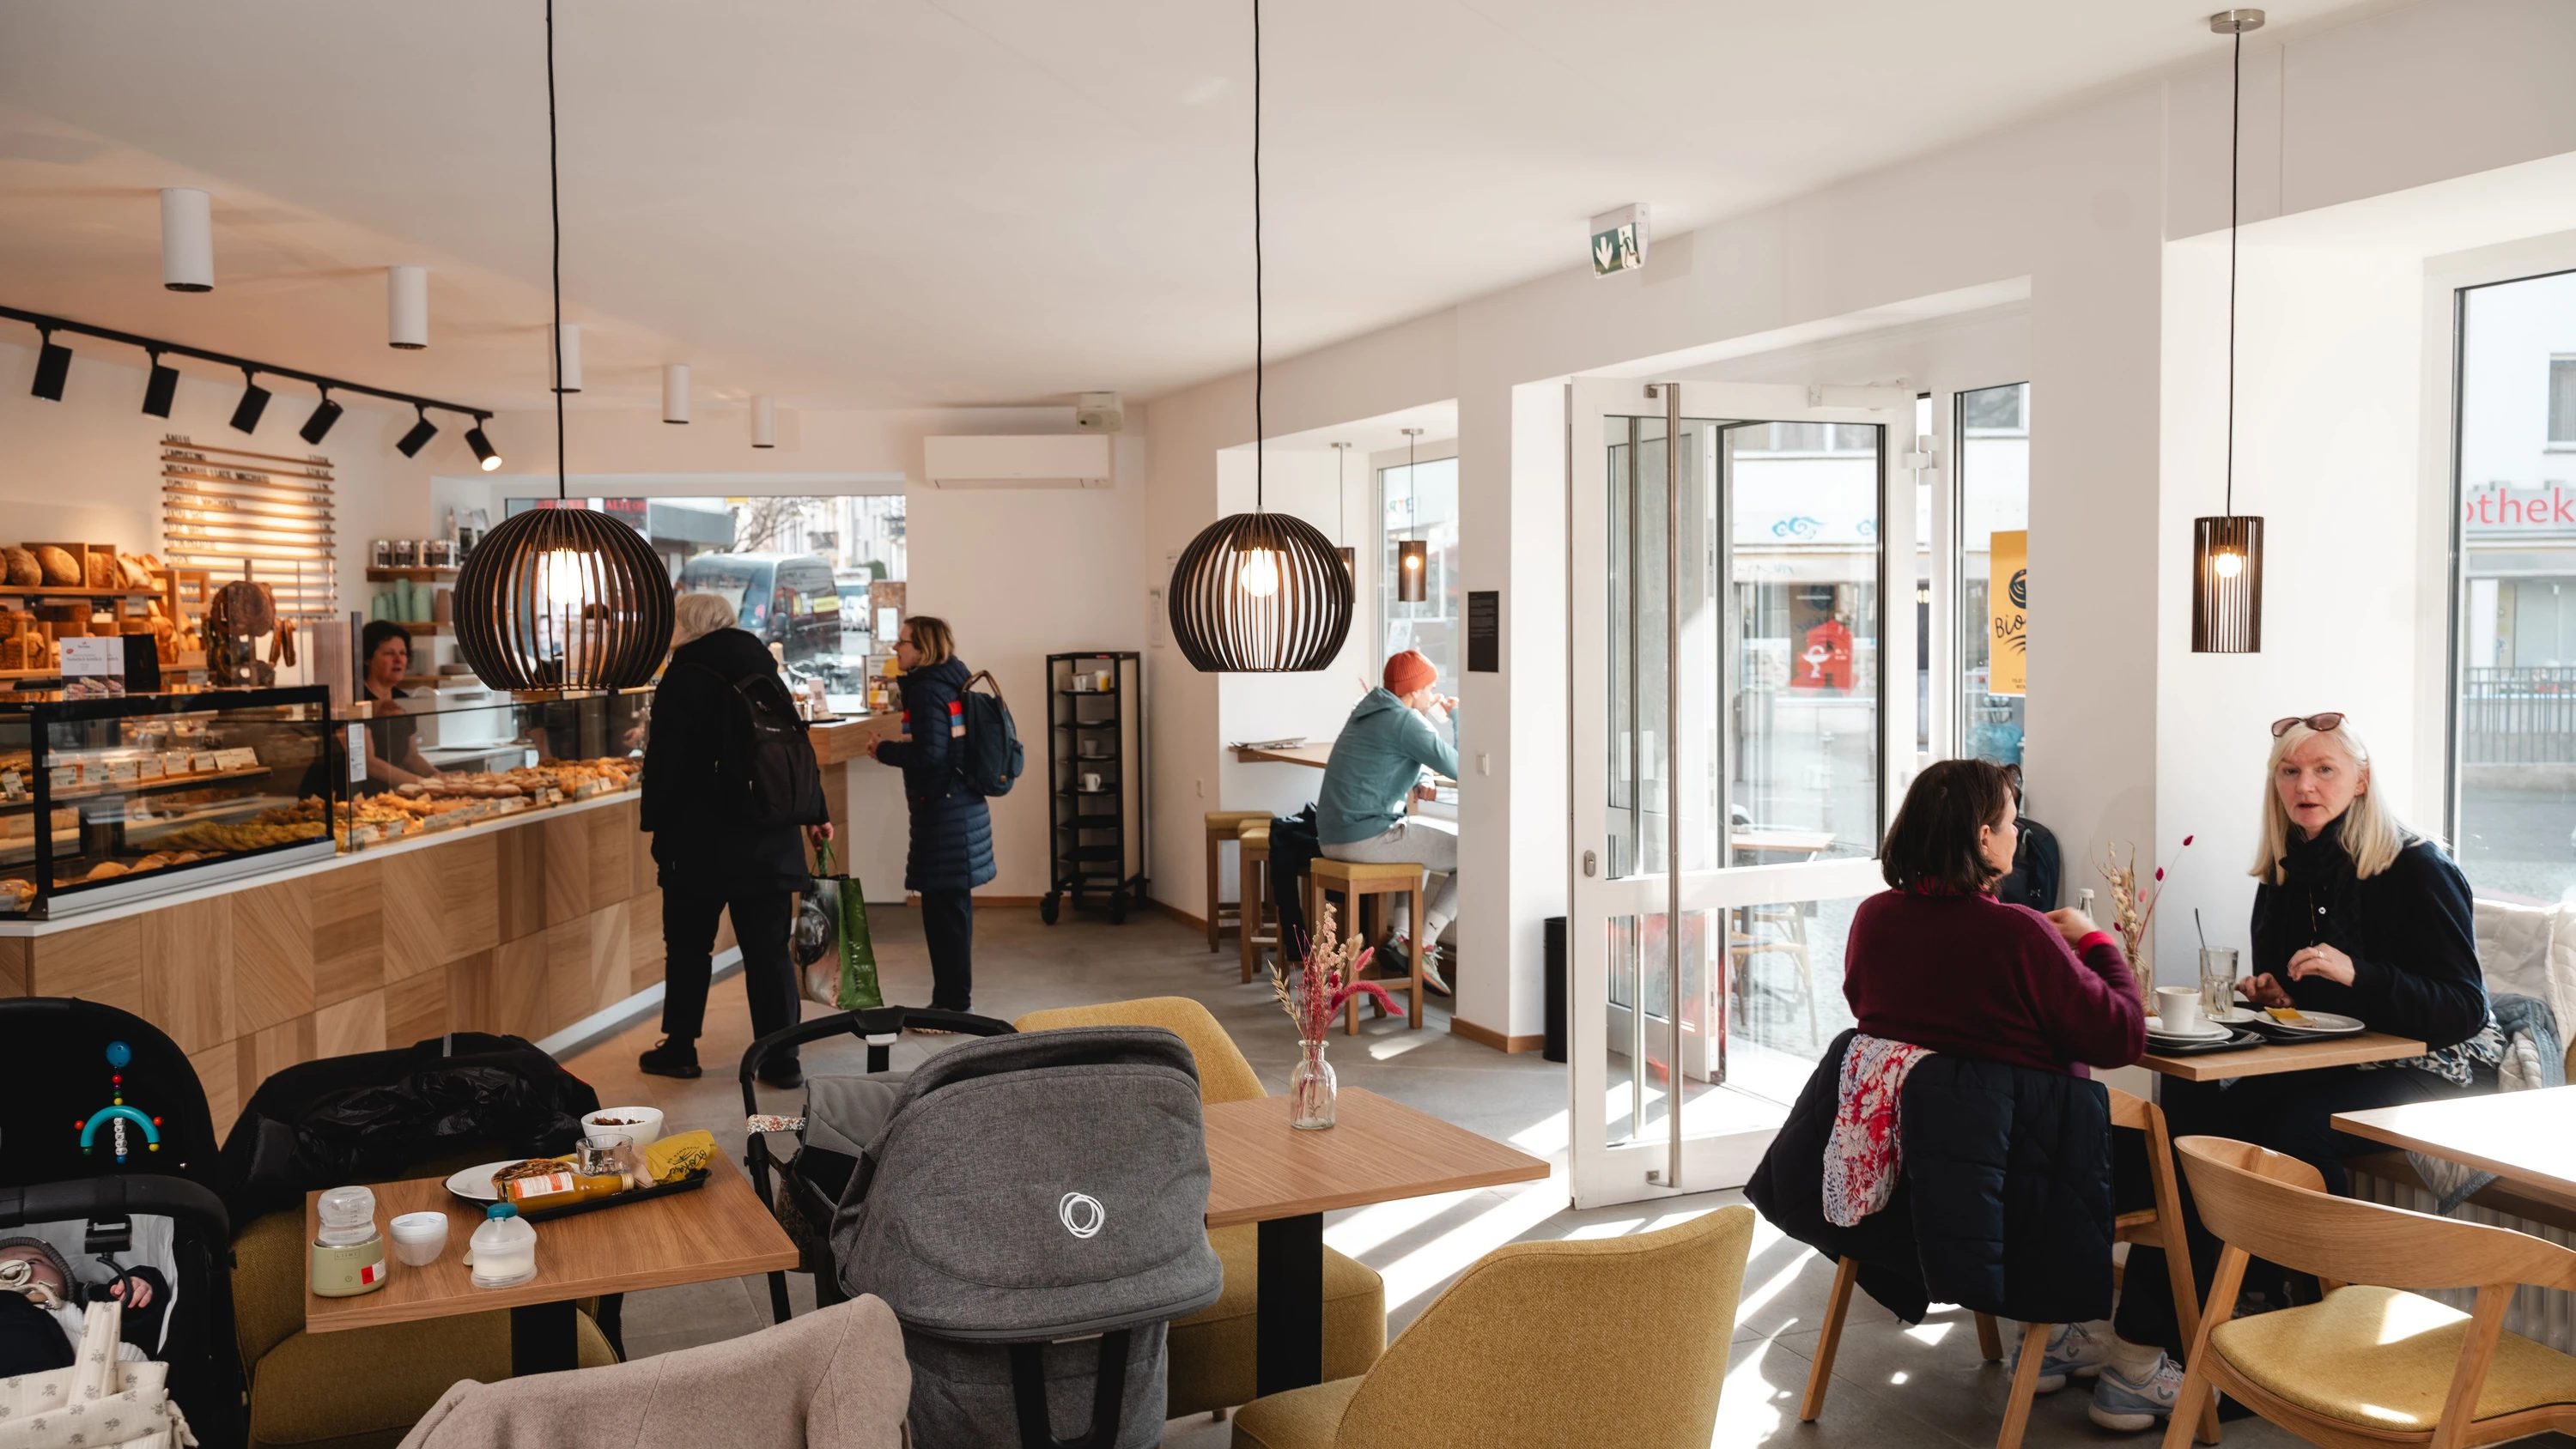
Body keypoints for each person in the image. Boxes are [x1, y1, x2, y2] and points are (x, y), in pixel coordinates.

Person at [2104, 713, 2500, 1434]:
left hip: (2439, 1064)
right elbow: (2311, 998)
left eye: (2323, 770)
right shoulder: (2283, 872)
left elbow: (2465, 1010)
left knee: (2285, 1132)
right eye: (2290, 771)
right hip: (2336, 1059)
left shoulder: (2419, 866)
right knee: (2197, 1127)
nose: (2305, 784)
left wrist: (2363, 975)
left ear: (2361, 780)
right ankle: (2166, 1345)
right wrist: (2277, 993)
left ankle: (2306, 1330)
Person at [1844, 758, 2179, 1434]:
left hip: (1920, 1168)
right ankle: (2138, 1370)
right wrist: (2095, 943)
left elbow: (1866, 1006)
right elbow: (2119, 1035)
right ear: (1983, 837)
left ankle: (2056, 1339)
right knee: (2184, 1166)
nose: (2019, 835)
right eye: (2010, 822)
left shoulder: (1874, 919)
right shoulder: (2018, 934)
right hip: (2028, 1180)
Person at [637, 591, 831, 1088]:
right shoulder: (761, 665)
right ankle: (782, 1059)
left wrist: (654, 824)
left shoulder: (685, 674)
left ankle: (680, 1048)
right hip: (768, 833)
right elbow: (793, 745)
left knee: (688, 948)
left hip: (698, 841)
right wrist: (815, 811)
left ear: (687, 626)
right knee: (767, 950)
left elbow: (665, 763)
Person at [863, 615, 992, 1013]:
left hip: (943, 812)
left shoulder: (926, 690)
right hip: (962, 807)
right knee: (952, 911)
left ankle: (951, 1006)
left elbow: (930, 754)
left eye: (901, 643)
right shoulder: (956, 679)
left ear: (922, 648)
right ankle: (954, 1001)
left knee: (944, 916)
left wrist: (883, 750)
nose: (895, 650)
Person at [1316, 649, 1460, 994]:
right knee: (1478, 854)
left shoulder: (1367, 712)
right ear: (1413, 691)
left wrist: (1421, 775)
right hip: (1364, 838)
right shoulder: (1406, 721)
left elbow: (1388, 757)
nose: (1431, 695)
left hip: (1331, 836)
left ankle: (1402, 937)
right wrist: (1457, 718)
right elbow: (1460, 767)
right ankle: (1422, 945)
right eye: (1429, 688)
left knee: (1415, 843)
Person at [356, 621, 439, 791]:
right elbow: (368, 762)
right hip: (350, 795)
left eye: (403, 653)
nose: (398, 660)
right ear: (367, 658)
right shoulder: (357, 700)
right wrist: (423, 783)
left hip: (385, 794)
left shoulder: (403, 700)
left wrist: (438, 777)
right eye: (389, 653)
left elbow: (411, 757)